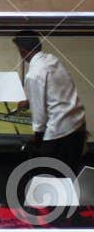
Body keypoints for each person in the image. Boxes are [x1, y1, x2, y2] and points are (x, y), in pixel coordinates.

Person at [13, 31, 87, 174]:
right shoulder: (53, 60)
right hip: (77, 125)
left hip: (60, 131)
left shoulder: (33, 74)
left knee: (50, 177)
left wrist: (36, 137)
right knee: (70, 174)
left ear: (22, 51)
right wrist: (30, 101)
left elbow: (39, 116)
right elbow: (56, 90)